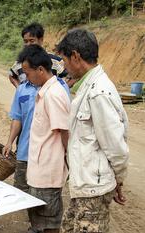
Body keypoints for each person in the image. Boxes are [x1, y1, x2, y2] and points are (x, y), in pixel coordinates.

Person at [56, 29, 129, 233]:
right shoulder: (88, 86)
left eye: (64, 60)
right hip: (85, 185)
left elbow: (116, 147)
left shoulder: (98, 92)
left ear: (76, 56)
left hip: (94, 189)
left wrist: (118, 180)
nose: (64, 66)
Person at [18, 44, 70, 233]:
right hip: (40, 172)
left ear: (40, 70)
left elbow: (65, 132)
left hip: (47, 174)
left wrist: (69, 162)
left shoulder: (54, 95)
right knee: (39, 222)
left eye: (27, 72)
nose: (25, 77)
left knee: (48, 224)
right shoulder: (45, 92)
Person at [8, 22, 68, 89]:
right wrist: (20, 90)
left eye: (32, 41)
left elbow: (70, 76)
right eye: (25, 41)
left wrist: (63, 90)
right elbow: (12, 75)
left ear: (41, 40)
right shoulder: (20, 62)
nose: (28, 44)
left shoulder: (55, 61)